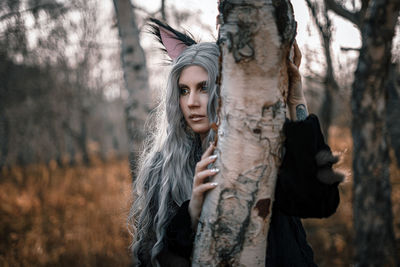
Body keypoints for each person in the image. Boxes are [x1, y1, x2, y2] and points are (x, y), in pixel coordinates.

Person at [129, 19, 344, 267]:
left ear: (226, 89)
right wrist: (193, 212)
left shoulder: (264, 149)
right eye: (184, 90)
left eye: (204, 87)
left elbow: (321, 203)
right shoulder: (163, 167)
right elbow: (153, 257)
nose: (191, 102)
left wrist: (296, 99)